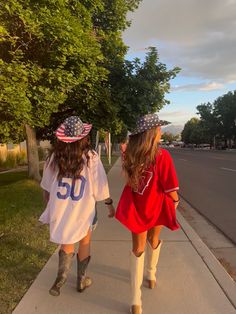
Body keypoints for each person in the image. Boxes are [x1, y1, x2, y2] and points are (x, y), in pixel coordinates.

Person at [39, 116, 115, 296]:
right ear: (84, 137)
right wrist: (109, 205)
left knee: (67, 241)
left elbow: (47, 186)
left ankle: (62, 276)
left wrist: (49, 203)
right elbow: (100, 188)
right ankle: (81, 279)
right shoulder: (91, 157)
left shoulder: (54, 158)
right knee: (85, 241)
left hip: (62, 209)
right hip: (84, 210)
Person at [115, 113, 180, 314]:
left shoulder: (131, 156)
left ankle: (136, 301)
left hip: (137, 207)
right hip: (157, 206)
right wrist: (176, 202)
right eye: (159, 128)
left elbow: (128, 181)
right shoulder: (163, 156)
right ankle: (151, 275)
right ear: (152, 133)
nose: (161, 131)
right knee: (155, 239)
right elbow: (171, 188)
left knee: (138, 248)